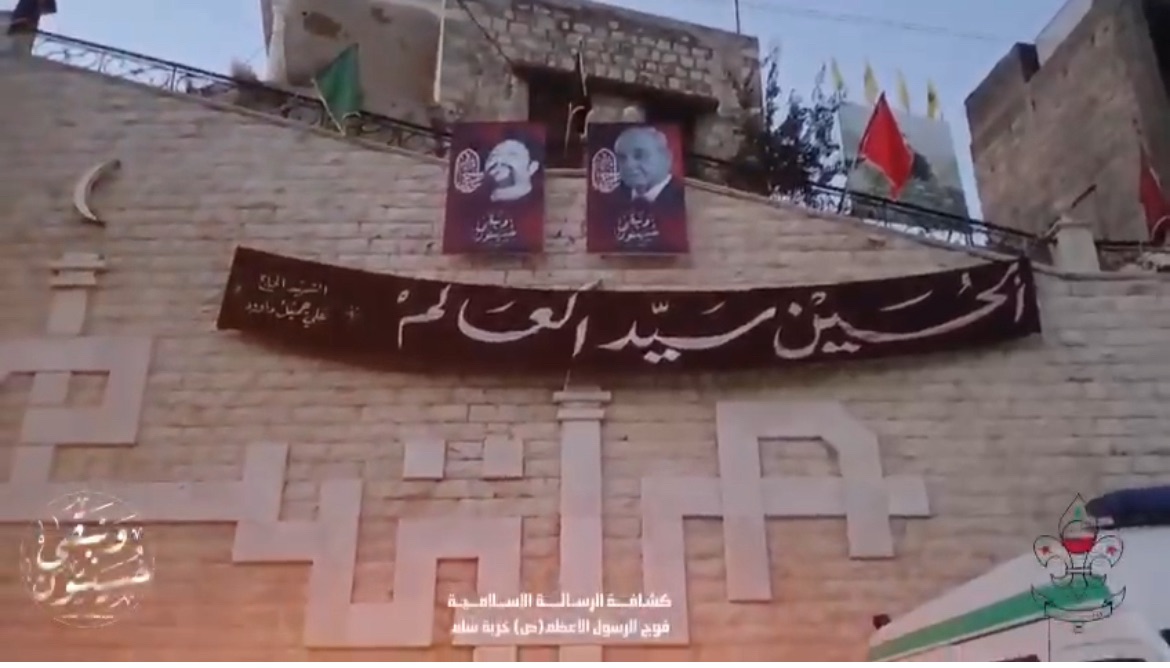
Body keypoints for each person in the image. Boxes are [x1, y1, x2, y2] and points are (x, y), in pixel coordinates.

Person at [589, 125, 687, 251]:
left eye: (639, 155)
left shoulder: (682, 198)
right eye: (622, 158)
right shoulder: (608, 202)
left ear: (667, 158)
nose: (629, 165)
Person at [484, 138, 540, 203]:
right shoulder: (478, 201)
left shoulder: (538, 202)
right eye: (494, 155)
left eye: (512, 154)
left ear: (532, 167)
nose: (499, 159)